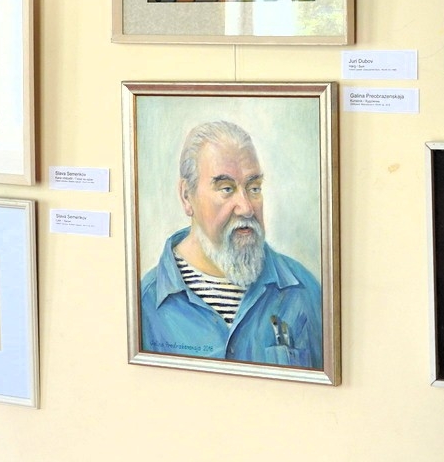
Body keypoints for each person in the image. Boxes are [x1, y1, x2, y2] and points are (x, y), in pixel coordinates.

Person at [139, 121, 324, 368]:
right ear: (186, 196)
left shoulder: (303, 291)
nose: (246, 208)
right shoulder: (147, 302)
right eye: (226, 189)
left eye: (254, 188)